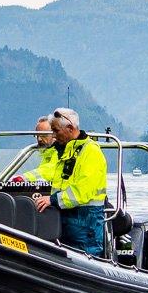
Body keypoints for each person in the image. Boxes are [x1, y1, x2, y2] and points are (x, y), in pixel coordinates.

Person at [31, 108, 107, 257]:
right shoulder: (65, 152)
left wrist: (53, 200)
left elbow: (82, 191)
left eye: (56, 131)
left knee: (86, 261)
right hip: (65, 221)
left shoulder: (91, 152)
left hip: (85, 223)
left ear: (70, 128)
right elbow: (53, 177)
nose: (54, 135)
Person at [17, 115, 61, 186]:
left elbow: (51, 170)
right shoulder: (47, 154)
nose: (39, 139)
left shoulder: (62, 151)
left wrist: (23, 178)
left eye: (43, 135)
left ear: (54, 134)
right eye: (37, 136)